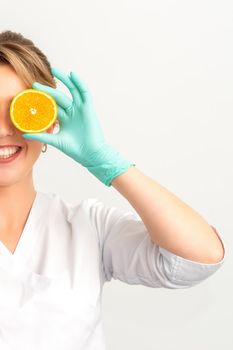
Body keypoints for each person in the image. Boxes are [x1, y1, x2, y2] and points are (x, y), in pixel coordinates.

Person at [0, 30, 226, 349]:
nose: (3, 130)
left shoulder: (89, 226)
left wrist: (106, 161)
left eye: (16, 110)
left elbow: (200, 258)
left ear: (47, 119)